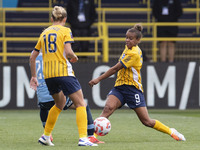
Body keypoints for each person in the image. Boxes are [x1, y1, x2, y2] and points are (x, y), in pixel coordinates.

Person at [89, 24, 186, 141]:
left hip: (133, 89)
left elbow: (115, 68)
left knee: (147, 121)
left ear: (137, 40)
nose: (127, 40)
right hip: (120, 87)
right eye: (126, 37)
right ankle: (92, 137)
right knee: (107, 109)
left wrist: (98, 79)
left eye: (130, 38)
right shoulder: (128, 48)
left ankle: (171, 131)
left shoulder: (134, 53)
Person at [29, 6, 97, 146]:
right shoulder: (66, 30)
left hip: (48, 75)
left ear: (52, 19)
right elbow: (68, 50)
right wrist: (74, 57)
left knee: (59, 104)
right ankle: (83, 138)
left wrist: (34, 76)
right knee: (80, 104)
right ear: (65, 19)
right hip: (64, 72)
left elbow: (32, 57)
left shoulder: (44, 33)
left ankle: (46, 136)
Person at [35, 53, 104, 144]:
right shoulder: (55, 54)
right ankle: (90, 136)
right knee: (82, 105)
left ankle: (47, 134)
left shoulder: (34, 56)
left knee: (43, 107)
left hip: (41, 94)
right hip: (54, 90)